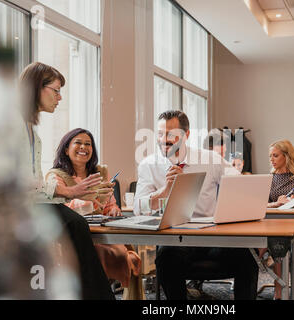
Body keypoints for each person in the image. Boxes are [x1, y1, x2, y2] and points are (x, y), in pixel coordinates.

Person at [134, 110, 258, 300]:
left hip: (212, 235)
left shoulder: (210, 159)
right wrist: (165, 190)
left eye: (170, 134)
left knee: (248, 261)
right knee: (166, 259)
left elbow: (239, 184)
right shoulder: (148, 165)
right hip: (176, 238)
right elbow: (139, 208)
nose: (163, 139)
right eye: (159, 134)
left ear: (187, 135)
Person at [19, 62, 114, 299]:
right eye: (56, 90)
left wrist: (73, 193)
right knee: (75, 225)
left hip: (34, 204)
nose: (60, 97)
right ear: (35, 88)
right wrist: (69, 192)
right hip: (19, 208)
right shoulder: (16, 126)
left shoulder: (31, 132)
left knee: (76, 225)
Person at [45, 128, 142, 297]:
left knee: (123, 253)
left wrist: (113, 210)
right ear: (66, 149)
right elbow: (63, 211)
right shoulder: (55, 177)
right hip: (75, 239)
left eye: (88, 144)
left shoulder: (100, 172)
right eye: (78, 143)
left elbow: (110, 205)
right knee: (99, 255)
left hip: (102, 236)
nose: (84, 147)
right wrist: (93, 200)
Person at [259, 140, 294, 299]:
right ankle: (261, 261)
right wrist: (277, 203)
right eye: (270, 156)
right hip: (272, 222)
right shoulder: (270, 177)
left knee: (276, 244)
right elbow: (262, 203)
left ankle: (278, 290)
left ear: (287, 156)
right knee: (269, 242)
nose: (271, 159)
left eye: (275, 155)